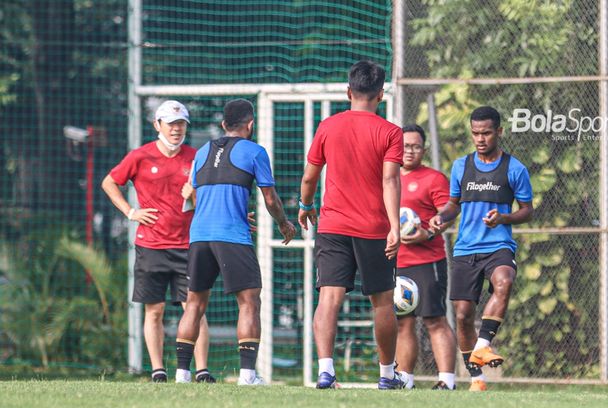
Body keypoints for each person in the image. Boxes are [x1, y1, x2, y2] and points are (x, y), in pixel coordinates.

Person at [298, 60, 406, 389]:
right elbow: (390, 181)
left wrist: (305, 206)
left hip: (333, 226)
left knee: (329, 298)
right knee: (383, 302)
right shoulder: (390, 132)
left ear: (349, 91)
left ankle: (325, 371)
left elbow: (309, 176)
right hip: (374, 229)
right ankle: (387, 376)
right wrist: (395, 227)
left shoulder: (328, 126)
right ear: (381, 95)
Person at [174, 98, 296, 385]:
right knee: (249, 301)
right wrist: (283, 223)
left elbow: (191, 194)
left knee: (194, 304)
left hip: (200, 236)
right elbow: (270, 198)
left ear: (222, 124)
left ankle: (181, 374)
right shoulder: (255, 151)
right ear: (250, 124)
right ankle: (247, 375)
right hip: (232, 236)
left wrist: (223, 209)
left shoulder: (202, 151)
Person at [102, 100, 215, 383]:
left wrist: (193, 195)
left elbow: (206, 203)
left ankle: (200, 370)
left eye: (181, 124)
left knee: (194, 308)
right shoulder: (140, 156)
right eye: (171, 124)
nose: (177, 129)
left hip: (189, 244)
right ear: (157, 125)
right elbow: (109, 182)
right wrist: (130, 212)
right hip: (151, 245)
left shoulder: (197, 157)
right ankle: (158, 371)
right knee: (155, 310)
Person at [429, 106, 533, 391]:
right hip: (465, 248)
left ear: (499, 132)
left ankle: (484, 344)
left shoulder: (515, 168)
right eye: (475, 133)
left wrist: (504, 218)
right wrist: (442, 217)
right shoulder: (462, 166)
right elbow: (453, 204)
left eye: (486, 133)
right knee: (462, 315)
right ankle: (476, 378)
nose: (480, 139)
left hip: (498, 245)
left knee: (505, 280)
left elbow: (527, 211)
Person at [395, 124, 457, 390]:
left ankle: (447, 381)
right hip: (396, 263)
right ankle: (405, 379)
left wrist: (427, 233)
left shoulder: (434, 179)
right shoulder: (388, 178)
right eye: (405, 145)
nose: (409, 151)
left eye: (415, 146)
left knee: (434, 320)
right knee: (403, 322)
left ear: (424, 149)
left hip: (427, 262)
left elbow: (447, 212)